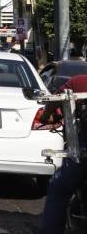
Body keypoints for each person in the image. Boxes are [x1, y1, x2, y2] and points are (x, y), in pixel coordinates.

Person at [39, 74, 87, 234]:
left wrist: (46, 117)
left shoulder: (80, 81)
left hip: (83, 152)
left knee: (59, 187)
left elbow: (55, 100)